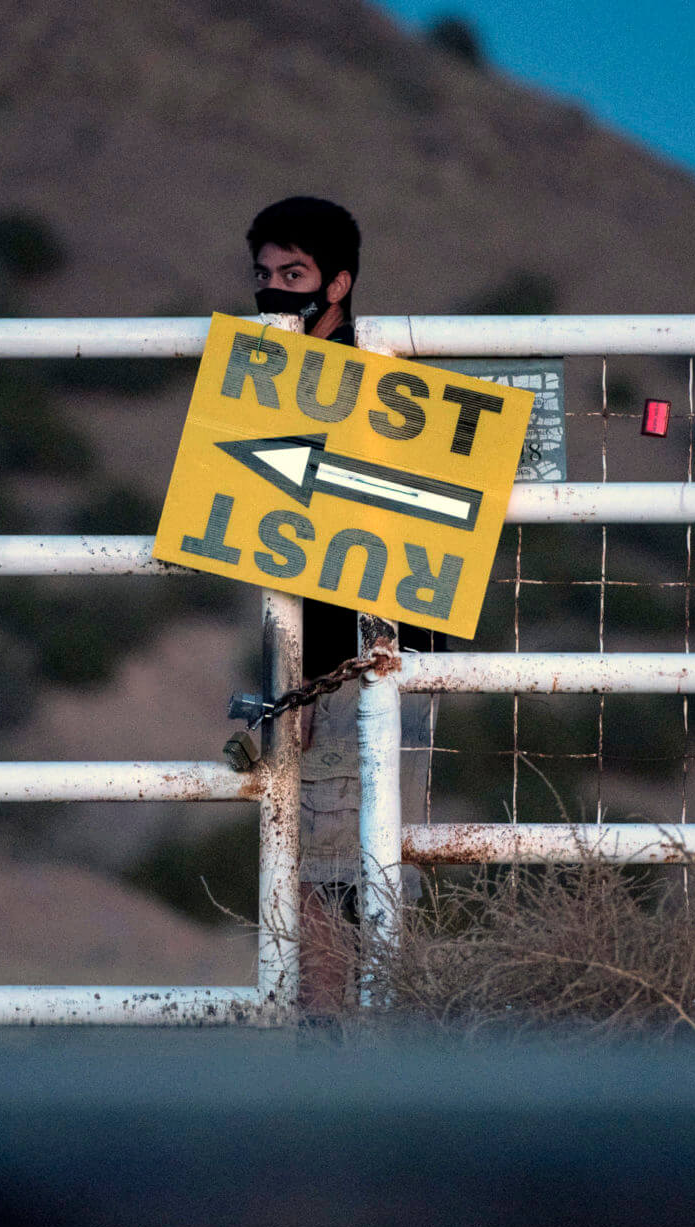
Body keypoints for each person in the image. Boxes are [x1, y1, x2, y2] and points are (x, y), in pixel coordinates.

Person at [244, 197, 433, 1012]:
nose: (275, 289)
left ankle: (336, 1052)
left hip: (366, 662)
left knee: (342, 875)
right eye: (264, 273)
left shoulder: (384, 379)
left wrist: (320, 677)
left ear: (339, 282)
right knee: (329, 869)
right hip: (323, 666)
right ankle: (345, 1041)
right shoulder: (263, 381)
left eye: (295, 273)